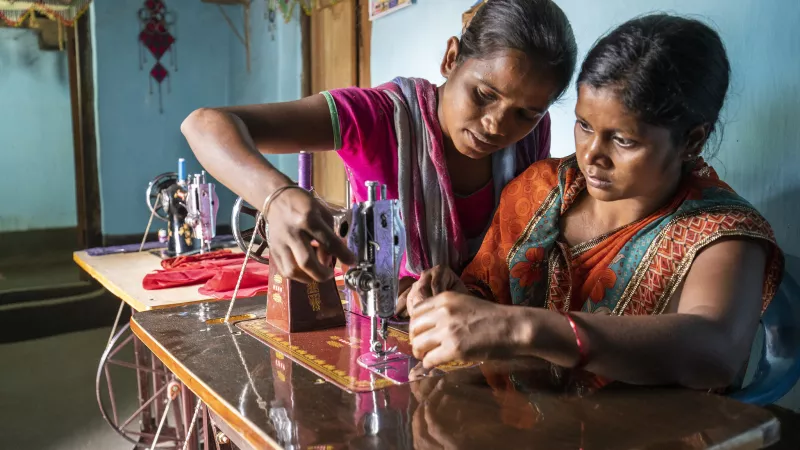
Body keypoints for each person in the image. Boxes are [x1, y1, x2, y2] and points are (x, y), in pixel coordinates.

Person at [406, 14, 784, 390]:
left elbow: (717, 352)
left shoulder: (721, 231)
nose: (591, 156)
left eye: (624, 141)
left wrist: (525, 328)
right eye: (584, 126)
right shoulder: (539, 189)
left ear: (692, 141)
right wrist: (454, 302)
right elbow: (486, 295)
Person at [181, 0, 578, 303]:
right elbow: (203, 124)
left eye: (525, 113)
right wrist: (276, 196)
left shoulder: (530, 136)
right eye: (483, 95)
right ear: (451, 58)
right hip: (385, 328)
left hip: (476, 337)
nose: (497, 125)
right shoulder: (378, 117)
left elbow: (512, 253)